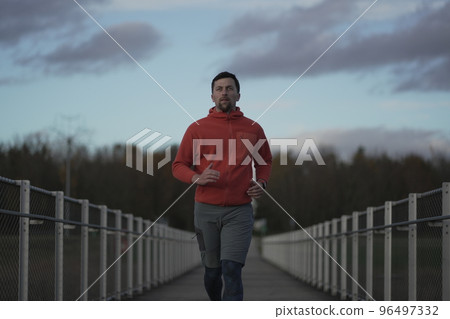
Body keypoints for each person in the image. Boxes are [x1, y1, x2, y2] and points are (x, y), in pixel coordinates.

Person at [172, 71, 272, 301]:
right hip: (205, 210)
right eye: (219, 89)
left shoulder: (253, 128)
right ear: (212, 96)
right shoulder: (196, 128)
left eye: (229, 88)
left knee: (231, 269)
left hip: (240, 210)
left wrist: (262, 182)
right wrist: (196, 178)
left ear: (238, 95)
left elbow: (265, 160)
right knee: (212, 272)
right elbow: (179, 165)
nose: (224, 92)